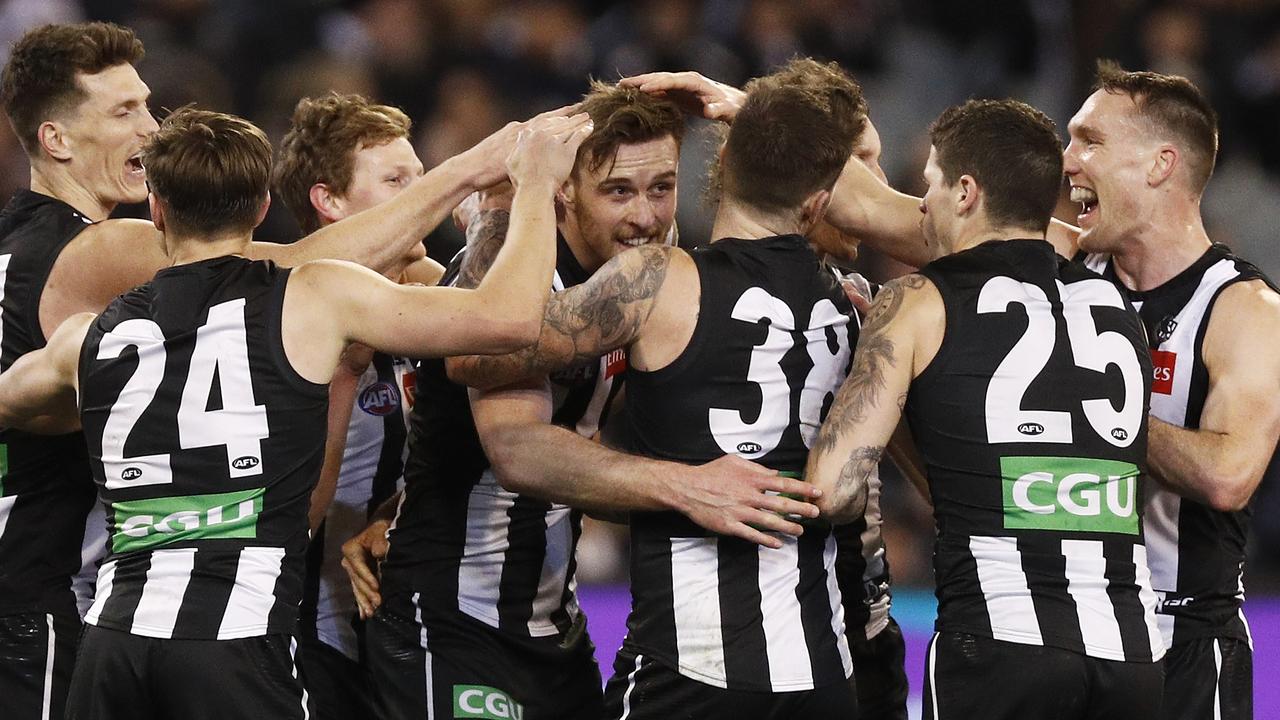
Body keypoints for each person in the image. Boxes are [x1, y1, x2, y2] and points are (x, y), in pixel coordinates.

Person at [0, 21, 537, 718]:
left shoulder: (23, 251)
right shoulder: (103, 250)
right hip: (64, 601)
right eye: (124, 110)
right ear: (57, 141)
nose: (148, 128)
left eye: (148, 104)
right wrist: (477, 172)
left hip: (111, 618)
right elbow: (287, 268)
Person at [350, 79, 822, 720]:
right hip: (454, 620)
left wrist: (748, 115)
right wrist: (688, 487)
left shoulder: (649, 266)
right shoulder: (518, 277)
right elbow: (514, 446)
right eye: (619, 191)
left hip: (556, 628)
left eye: (661, 187)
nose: (646, 216)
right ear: (565, 190)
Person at [805, 99, 1165, 719]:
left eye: (931, 185)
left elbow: (833, 490)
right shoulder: (1116, 305)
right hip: (1134, 651)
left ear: (966, 192)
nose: (922, 206)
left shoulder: (916, 299)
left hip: (1000, 643)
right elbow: (990, 470)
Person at [621, 66, 912, 719]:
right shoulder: (673, 297)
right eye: (857, 168)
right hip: (763, 650)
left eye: (878, 168)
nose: (873, 190)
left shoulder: (876, 309)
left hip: (859, 638)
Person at [1067, 63, 1280, 720]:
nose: (1067, 158)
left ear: (1161, 165)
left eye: (1089, 140)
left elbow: (1227, 476)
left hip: (1181, 641)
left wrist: (1097, 408)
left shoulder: (1247, 311)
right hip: (1063, 633)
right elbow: (911, 217)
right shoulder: (1060, 267)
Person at [271, 92, 443, 720]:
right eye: (396, 181)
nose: (424, 199)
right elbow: (290, 516)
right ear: (330, 202)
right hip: (300, 626)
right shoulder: (284, 318)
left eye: (423, 179)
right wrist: (349, 363)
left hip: (409, 623)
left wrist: (396, 515)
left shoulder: (441, 299)